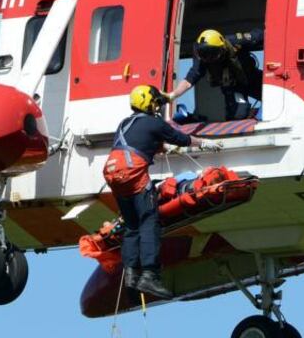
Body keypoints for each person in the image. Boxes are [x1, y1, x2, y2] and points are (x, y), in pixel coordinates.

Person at [103, 85, 221, 299]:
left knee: (132, 226)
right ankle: (150, 275)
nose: (157, 106)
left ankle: (130, 275)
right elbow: (180, 137)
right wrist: (204, 143)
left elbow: (141, 142)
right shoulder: (154, 123)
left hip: (113, 172)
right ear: (149, 103)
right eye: (156, 102)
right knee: (149, 221)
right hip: (133, 172)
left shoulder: (125, 124)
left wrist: (165, 148)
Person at [167, 29, 264, 121]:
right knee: (238, 115)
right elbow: (188, 81)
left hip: (252, 78)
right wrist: (172, 95)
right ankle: (251, 113)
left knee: (273, 99)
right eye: (205, 55)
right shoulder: (201, 58)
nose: (210, 59)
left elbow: (261, 35)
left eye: (213, 54)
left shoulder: (235, 41)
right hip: (234, 87)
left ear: (222, 48)